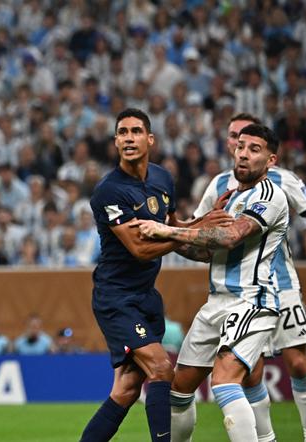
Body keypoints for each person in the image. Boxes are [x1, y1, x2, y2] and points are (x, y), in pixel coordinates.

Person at [182, 113, 306, 442]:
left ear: (267, 154)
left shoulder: (281, 181)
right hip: (234, 289)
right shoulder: (219, 185)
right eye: (236, 138)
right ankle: (266, 438)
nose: (241, 146)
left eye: (249, 141)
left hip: (280, 282)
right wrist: (172, 228)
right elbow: (198, 226)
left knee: (296, 361)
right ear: (229, 144)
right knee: (249, 374)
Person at [80, 108, 227, 442]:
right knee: (162, 369)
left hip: (146, 296)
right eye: (122, 133)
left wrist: (204, 229)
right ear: (115, 141)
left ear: (150, 139)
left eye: (135, 131)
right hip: (116, 298)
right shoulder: (109, 191)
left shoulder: (162, 179)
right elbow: (141, 248)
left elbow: (173, 230)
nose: (128, 138)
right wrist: (190, 231)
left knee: (127, 389)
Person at [137, 123, 289, 442]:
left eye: (254, 149)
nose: (244, 154)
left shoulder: (271, 196)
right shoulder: (230, 198)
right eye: (241, 146)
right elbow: (205, 251)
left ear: (271, 160)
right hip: (215, 303)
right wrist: (174, 229)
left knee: (224, 382)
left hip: (253, 301)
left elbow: (231, 236)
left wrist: (169, 232)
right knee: (179, 391)